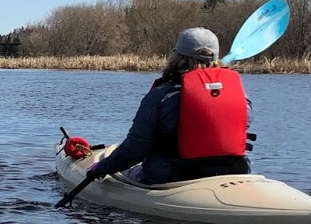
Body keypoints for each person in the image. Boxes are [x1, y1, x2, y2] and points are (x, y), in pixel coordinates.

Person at [80, 27, 252, 187]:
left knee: (120, 171)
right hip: (233, 173)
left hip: (172, 178)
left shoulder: (161, 95)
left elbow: (135, 150)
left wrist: (101, 168)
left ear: (177, 57)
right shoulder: (240, 95)